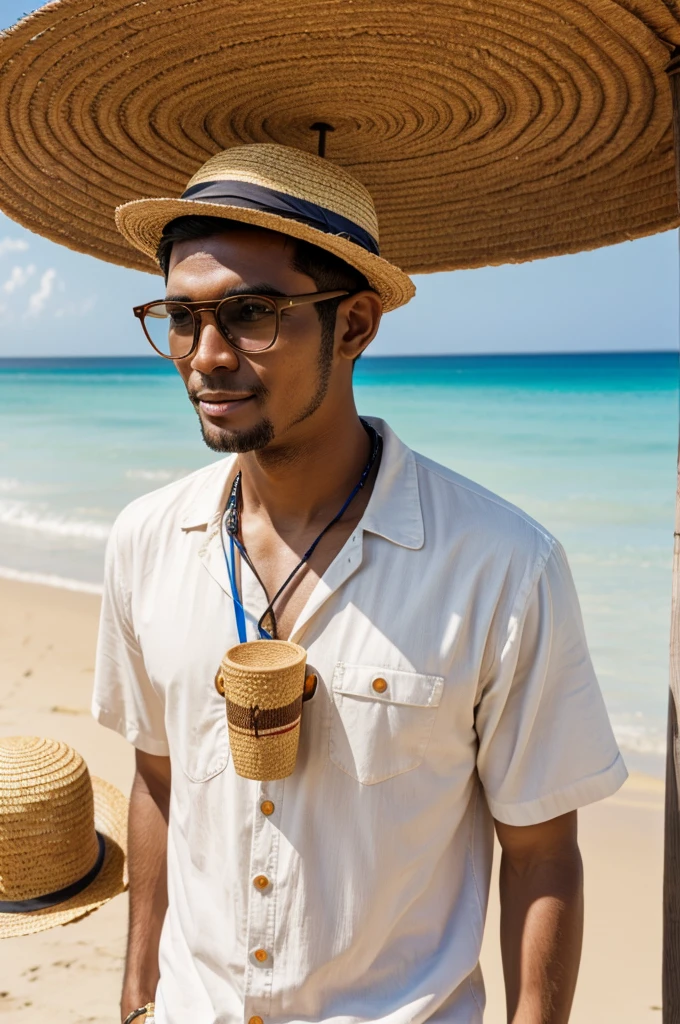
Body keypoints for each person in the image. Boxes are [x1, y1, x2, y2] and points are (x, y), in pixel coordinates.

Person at [93, 144, 627, 1024]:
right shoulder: (146, 541)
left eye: (252, 314)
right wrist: (139, 993)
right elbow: (157, 779)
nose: (208, 355)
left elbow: (540, 849)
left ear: (355, 325)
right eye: (183, 319)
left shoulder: (499, 565)